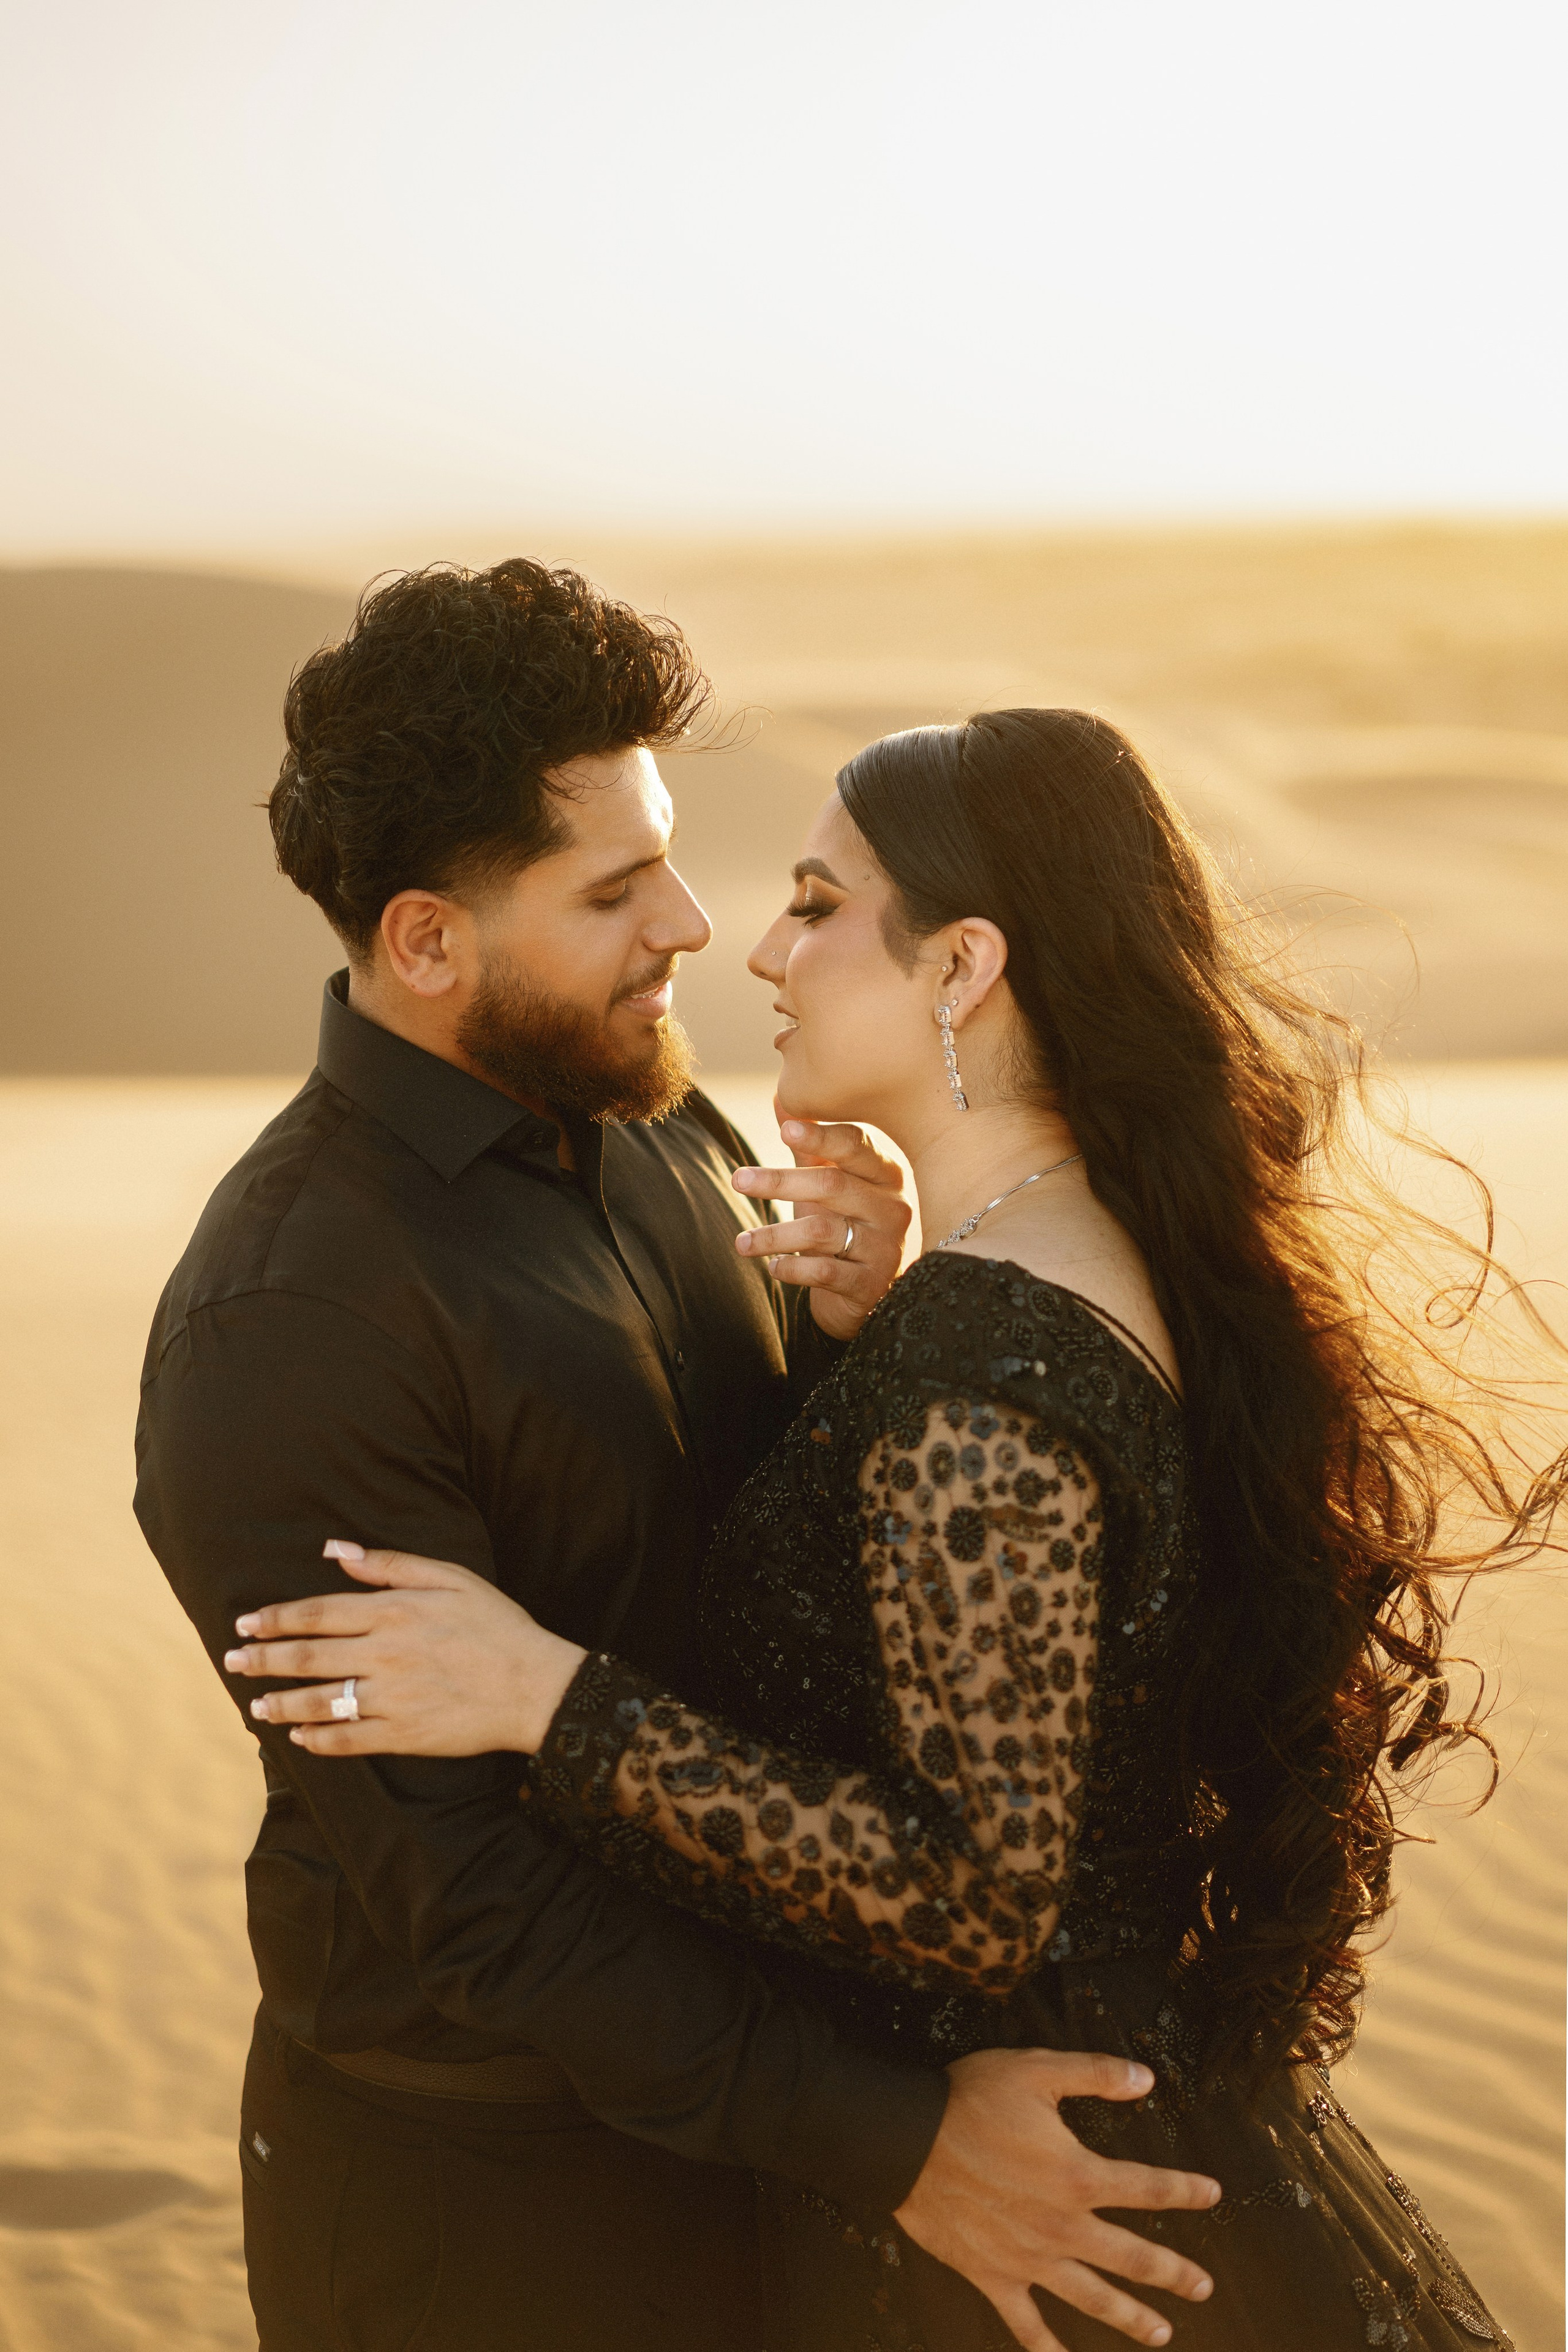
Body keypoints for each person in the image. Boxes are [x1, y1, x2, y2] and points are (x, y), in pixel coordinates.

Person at [229, 709, 1558, 2350]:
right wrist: (864, 1348)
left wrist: (540, 1697)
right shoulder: (1070, 1260)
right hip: (1122, 2119)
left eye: (815, 899)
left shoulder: (982, 1359)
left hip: (1026, 2201)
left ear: (963, 965)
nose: (758, 948)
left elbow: (966, 1891)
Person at [135, 569, 1220, 2352]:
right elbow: (465, 1900)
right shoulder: (292, 1326)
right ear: (426, 940)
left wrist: (866, 1340)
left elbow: (785, 1558)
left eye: (676, 852)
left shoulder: (661, 1123)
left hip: (768, 2158)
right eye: (616, 886)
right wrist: (903, 2146)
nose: (697, 926)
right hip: (494, 2218)